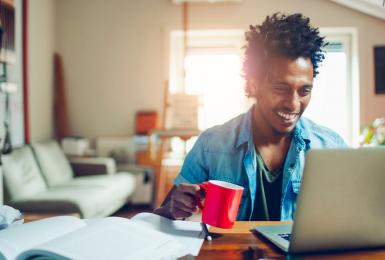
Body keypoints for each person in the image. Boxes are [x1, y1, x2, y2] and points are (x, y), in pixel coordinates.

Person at [153, 13, 347, 221]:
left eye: (304, 91)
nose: (293, 103)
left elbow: (351, 218)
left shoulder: (331, 146)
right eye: (281, 88)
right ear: (254, 85)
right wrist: (172, 209)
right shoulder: (211, 145)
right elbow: (162, 220)